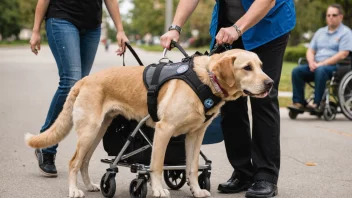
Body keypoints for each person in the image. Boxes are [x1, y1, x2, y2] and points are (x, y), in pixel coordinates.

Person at [160, 0, 296, 197]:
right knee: (225, 95)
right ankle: (243, 172)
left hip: (268, 26)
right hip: (228, 26)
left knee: (263, 99)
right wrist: (175, 27)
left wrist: (238, 28)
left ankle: (265, 176)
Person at [29, 0, 129, 177]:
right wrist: (36, 30)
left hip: (91, 26)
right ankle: (47, 147)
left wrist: (120, 29)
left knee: (82, 86)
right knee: (71, 81)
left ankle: (56, 147)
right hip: (61, 19)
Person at [290, 4, 352, 112]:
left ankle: (317, 103)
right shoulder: (320, 32)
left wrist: (322, 64)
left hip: (337, 67)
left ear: (341, 17)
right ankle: (298, 102)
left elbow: (343, 54)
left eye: (334, 15)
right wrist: (311, 62)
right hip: (316, 65)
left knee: (321, 70)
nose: (330, 17)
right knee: (297, 71)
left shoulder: (346, 33)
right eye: (328, 15)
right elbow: (310, 50)